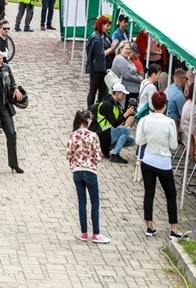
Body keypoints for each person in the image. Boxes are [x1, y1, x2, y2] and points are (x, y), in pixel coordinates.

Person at [136, 91, 188, 240]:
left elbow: (139, 141)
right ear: (164, 105)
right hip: (163, 161)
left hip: (148, 159)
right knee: (170, 195)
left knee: (149, 193)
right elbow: (173, 145)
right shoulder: (169, 122)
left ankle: (149, 226)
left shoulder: (145, 120)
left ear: (152, 104)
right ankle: (174, 228)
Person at [66, 110, 110, 243]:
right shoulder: (93, 136)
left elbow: (68, 154)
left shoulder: (72, 135)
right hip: (90, 170)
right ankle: (96, 233)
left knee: (82, 202)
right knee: (95, 202)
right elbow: (98, 155)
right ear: (87, 120)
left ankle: (83, 233)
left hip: (77, 171)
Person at [89, 83, 136, 162]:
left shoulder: (115, 104)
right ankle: (115, 155)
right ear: (117, 93)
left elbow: (118, 120)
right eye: (123, 94)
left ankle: (106, 150)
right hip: (103, 135)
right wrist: (126, 114)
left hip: (107, 134)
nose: (124, 96)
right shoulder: (107, 105)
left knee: (131, 140)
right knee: (126, 130)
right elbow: (115, 123)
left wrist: (127, 113)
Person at [85, 15, 118, 108]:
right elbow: (100, 54)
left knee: (102, 91)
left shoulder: (105, 36)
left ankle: (99, 109)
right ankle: (90, 109)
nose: (107, 28)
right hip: (97, 69)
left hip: (105, 68)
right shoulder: (95, 37)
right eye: (106, 26)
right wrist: (112, 48)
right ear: (101, 25)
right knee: (93, 90)